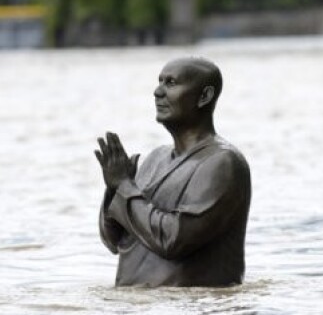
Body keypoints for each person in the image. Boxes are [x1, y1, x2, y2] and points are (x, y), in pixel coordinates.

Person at [95, 57, 251, 287]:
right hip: (136, 305)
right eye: (159, 82)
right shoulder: (155, 159)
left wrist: (125, 187)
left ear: (204, 96)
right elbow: (114, 241)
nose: (157, 92)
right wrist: (114, 188)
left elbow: (172, 240)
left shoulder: (222, 163)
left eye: (171, 83)